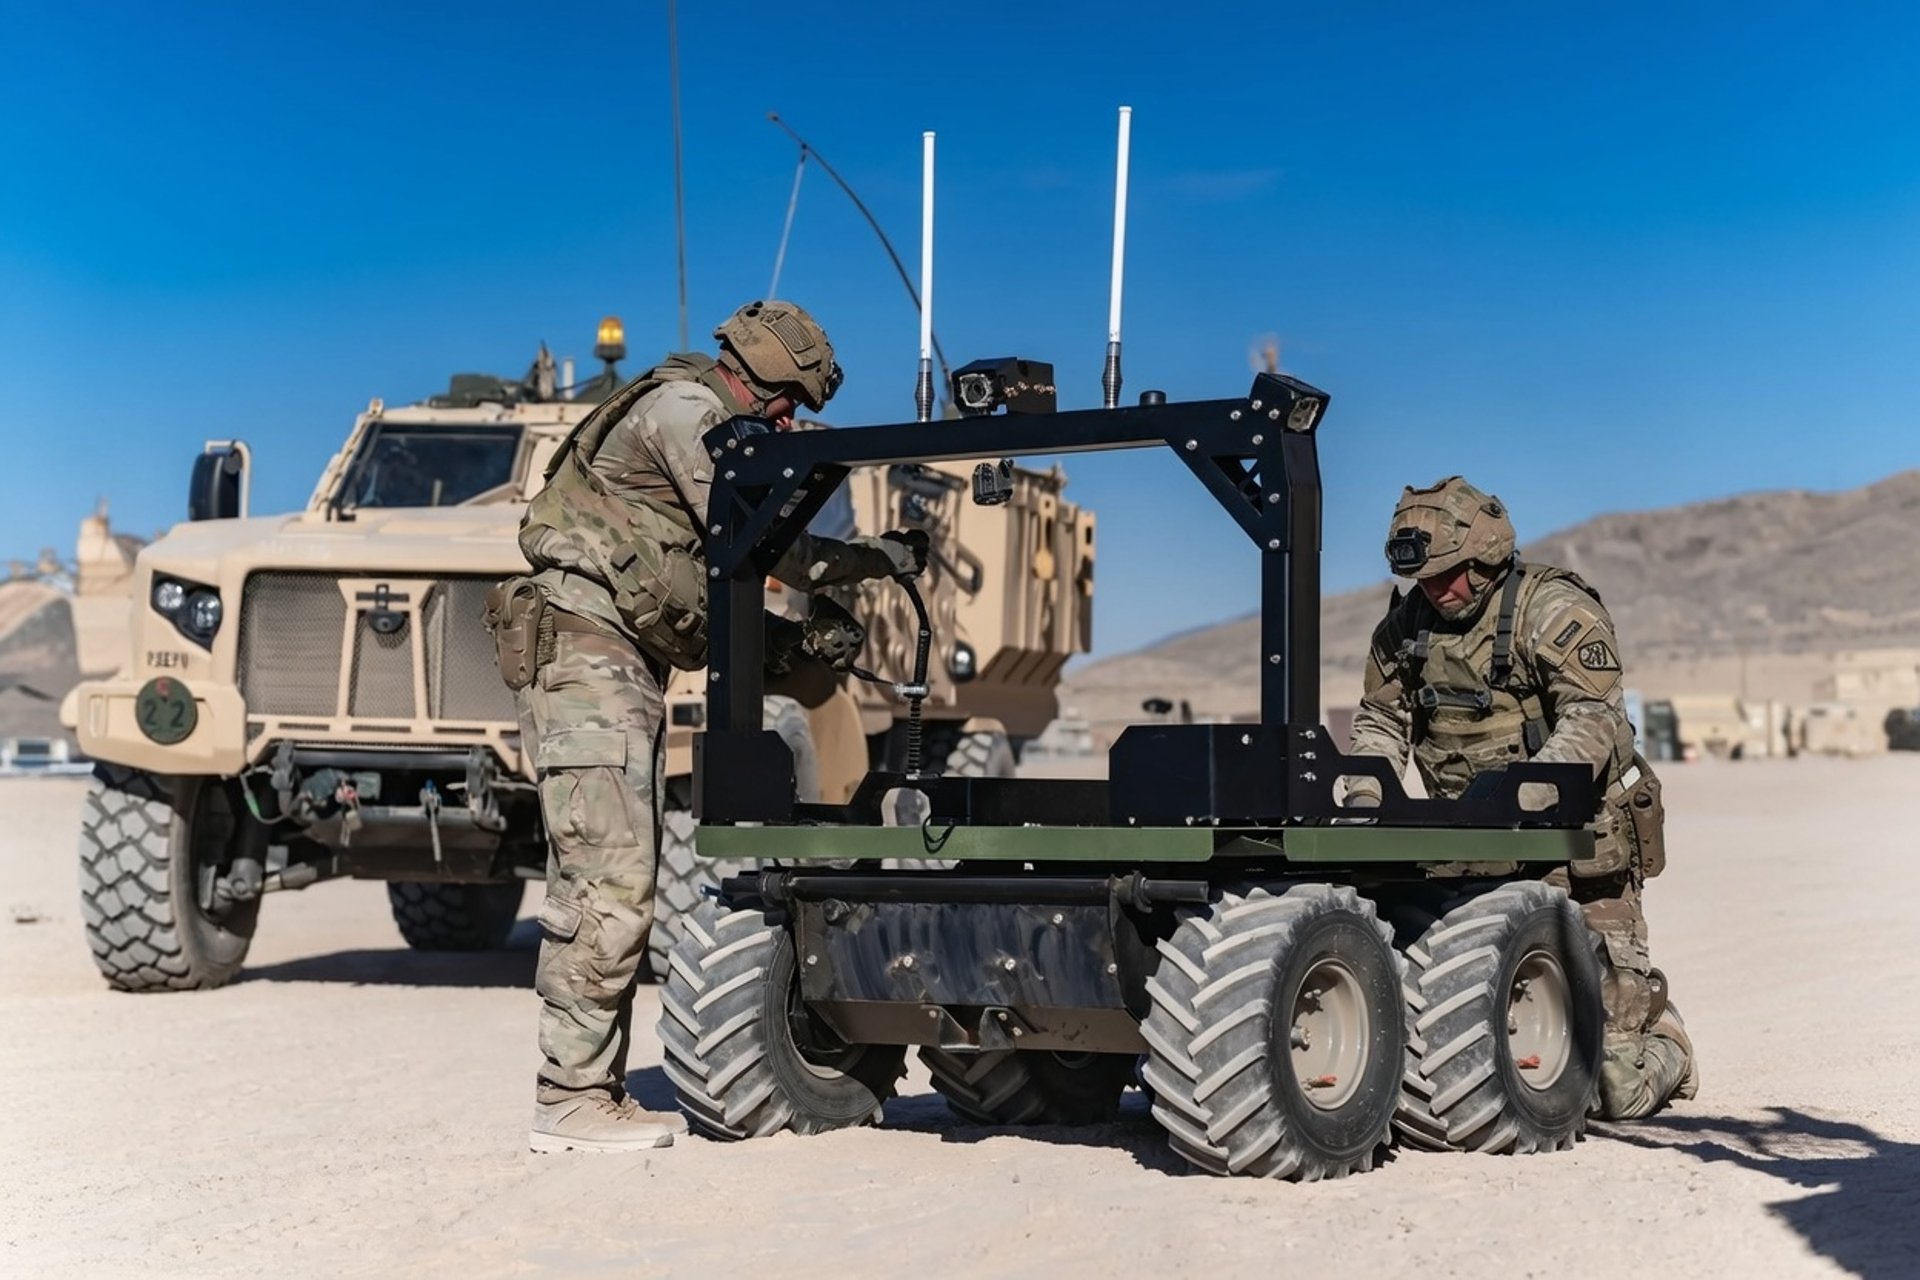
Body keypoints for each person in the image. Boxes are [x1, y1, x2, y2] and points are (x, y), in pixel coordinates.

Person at [490, 301, 928, 1153]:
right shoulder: (689, 416)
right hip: (588, 654)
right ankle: (570, 1098)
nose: (790, 420)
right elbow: (770, 549)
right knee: (608, 877)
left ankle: (586, 1091)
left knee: (622, 868)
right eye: (788, 402)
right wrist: (881, 559)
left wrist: (797, 644)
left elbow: (710, 583)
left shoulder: (700, 414)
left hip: (614, 656)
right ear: (758, 376)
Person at [1345, 475, 1697, 1121]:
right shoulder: (1405, 628)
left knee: (1613, 1090)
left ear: (1485, 560)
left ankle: (1659, 1033)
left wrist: (1526, 792)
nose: (1436, 590)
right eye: (1424, 579)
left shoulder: (1551, 610)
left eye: (1448, 574)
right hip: (1475, 836)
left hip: (1578, 838)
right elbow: (1380, 720)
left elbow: (1594, 719)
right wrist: (1366, 788)